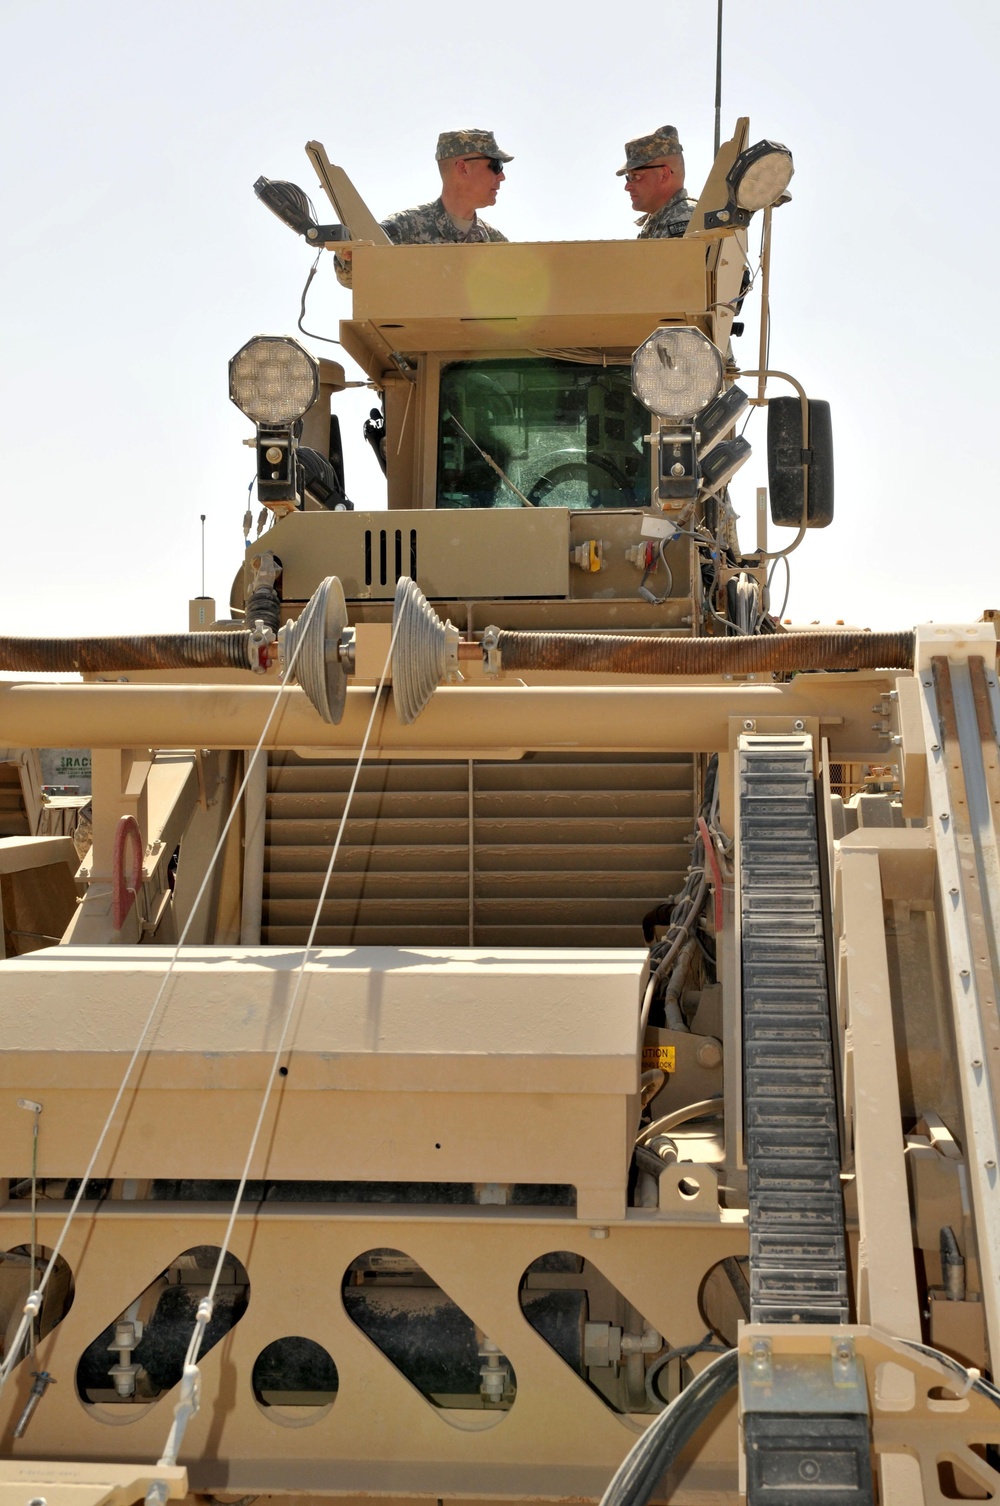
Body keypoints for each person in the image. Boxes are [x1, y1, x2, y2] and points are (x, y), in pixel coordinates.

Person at [380, 130, 512, 244]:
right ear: (463, 168)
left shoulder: (496, 243)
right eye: (496, 166)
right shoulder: (402, 231)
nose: (502, 176)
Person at [617, 126, 697, 240]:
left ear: (664, 175)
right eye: (628, 178)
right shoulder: (660, 219)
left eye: (635, 176)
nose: (627, 187)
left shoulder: (681, 217)